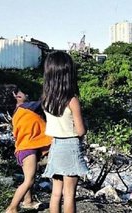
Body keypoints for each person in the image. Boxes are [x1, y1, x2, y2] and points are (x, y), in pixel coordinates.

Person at [41, 51, 88, 213]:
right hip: (70, 146)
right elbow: (81, 130)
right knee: (69, 194)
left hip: (55, 145)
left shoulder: (46, 98)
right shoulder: (72, 100)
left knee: (55, 193)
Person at [0, 84, 52, 213]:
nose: (25, 94)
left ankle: (28, 201)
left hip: (23, 149)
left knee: (29, 175)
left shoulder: (16, 114)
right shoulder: (26, 107)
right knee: (29, 180)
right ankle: (12, 208)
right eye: (22, 91)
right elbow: (44, 102)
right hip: (29, 149)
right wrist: (51, 88)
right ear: (17, 95)